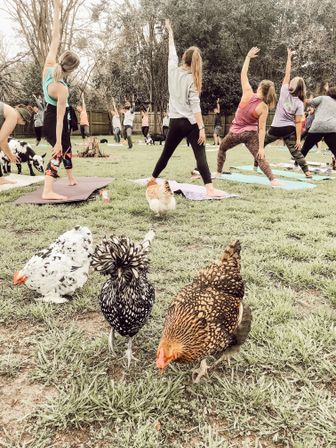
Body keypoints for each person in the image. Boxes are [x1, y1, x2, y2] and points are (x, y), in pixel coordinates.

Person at [150, 19, 225, 197]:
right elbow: (195, 106)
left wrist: (170, 31)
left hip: (175, 121)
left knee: (166, 154)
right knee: (200, 156)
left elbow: (171, 51)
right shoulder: (193, 78)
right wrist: (201, 128)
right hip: (190, 122)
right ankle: (210, 189)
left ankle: (152, 179)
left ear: (184, 57)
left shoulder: (172, 70)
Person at [214, 47, 279, 186]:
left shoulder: (248, 92)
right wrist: (261, 148)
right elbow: (262, 130)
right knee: (259, 157)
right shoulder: (264, 107)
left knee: (222, 148)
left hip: (235, 133)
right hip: (250, 134)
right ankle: (273, 180)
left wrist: (248, 57)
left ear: (260, 87)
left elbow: (243, 74)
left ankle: (218, 173)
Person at [42, 0, 80, 200]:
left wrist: (57, 9)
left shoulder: (48, 66)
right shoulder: (62, 89)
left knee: (66, 146)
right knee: (58, 150)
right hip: (52, 121)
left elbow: (55, 36)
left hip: (48, 115)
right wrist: (56, 141)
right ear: (71, 69)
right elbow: (59, 119)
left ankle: (70, 177)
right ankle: (48, 190)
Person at [254, 48, 312, 178]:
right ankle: (307, 171)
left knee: (260, 144)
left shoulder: (285, 90)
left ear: (293, 85)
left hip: (276, 127)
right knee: (295, 151)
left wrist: (289, 58)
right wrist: (298, 139)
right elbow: (298, 122)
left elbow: (287, 73)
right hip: (289, 129)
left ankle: (256, 165)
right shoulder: (299, 102)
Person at [300, 86, 336, 161]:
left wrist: (299, 96)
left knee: (305, 149)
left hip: (317, 126)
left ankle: (296, 164)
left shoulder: (323, 98)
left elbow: (308, 102)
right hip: (332, 128)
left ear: (328, 92)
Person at [0, 102, 31, 184]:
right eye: (24, 122)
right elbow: (2, 141)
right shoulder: (13, 116)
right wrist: (11, 156)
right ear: (23, 118)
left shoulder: (9, 111)